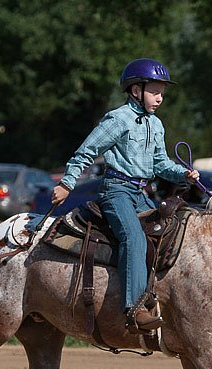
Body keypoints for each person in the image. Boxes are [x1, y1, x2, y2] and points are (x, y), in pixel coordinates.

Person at [51, 58, 199, 331]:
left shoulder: (156, 125)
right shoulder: (117, 119)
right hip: (116, 190)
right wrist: (67, 183)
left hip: (141, 193)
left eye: (162, 93)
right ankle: (134, 308)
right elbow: (86, 151)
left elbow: (160, 164)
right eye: (155, 91)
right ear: (135, 90)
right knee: (133, 238)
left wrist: (183, 174)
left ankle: (164, 299)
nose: (160, 98)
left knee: (169, 233)